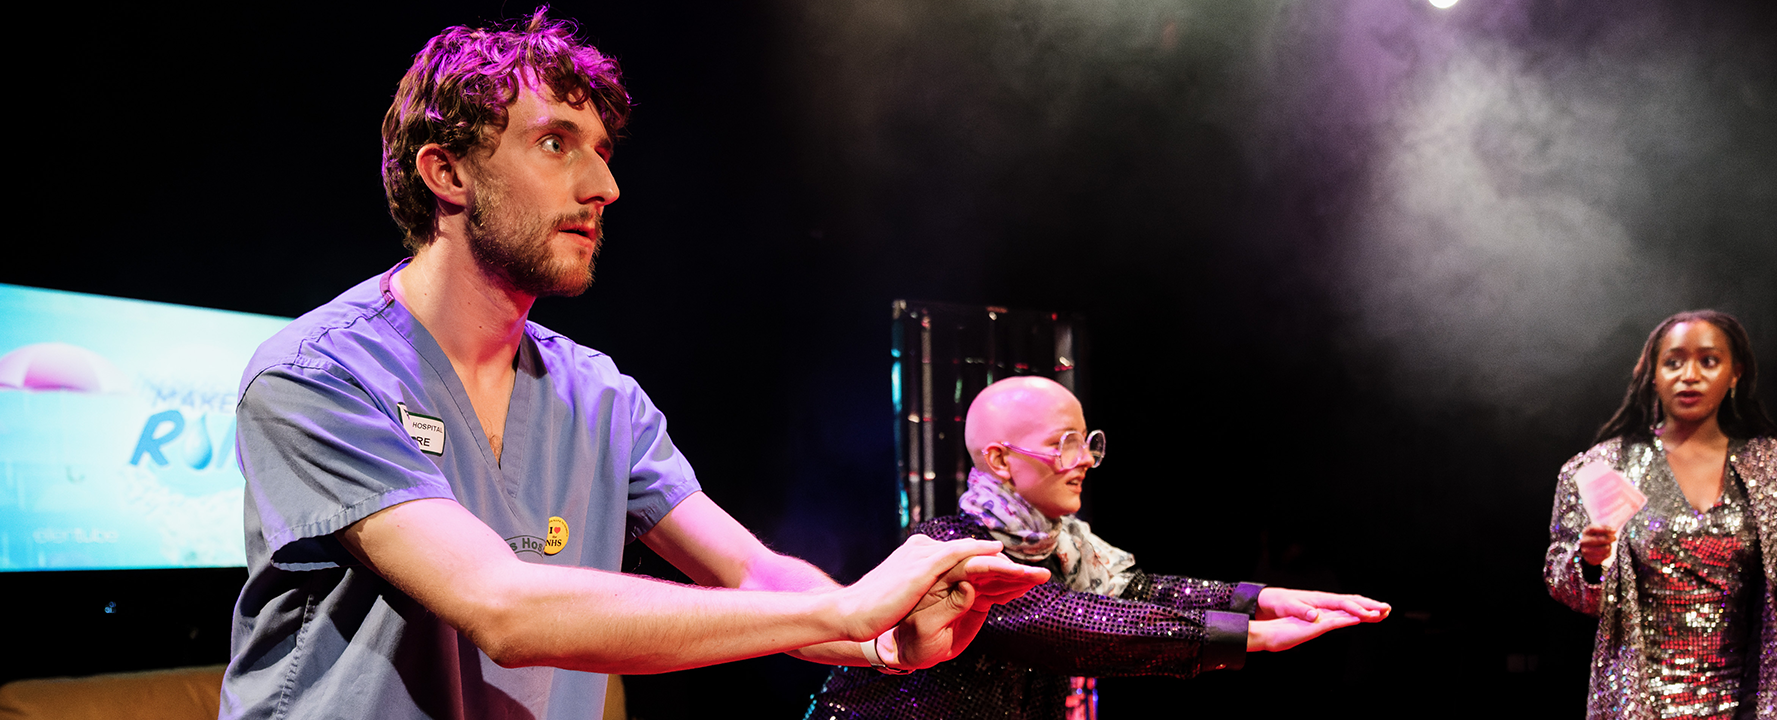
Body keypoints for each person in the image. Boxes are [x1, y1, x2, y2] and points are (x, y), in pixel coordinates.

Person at [218, 11, 1048, 720]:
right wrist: (844, 607)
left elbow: (753, 572)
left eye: (604, 151)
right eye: (556, 143)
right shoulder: (317, 375)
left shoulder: (599, 394)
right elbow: (501, 607)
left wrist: (878, 637)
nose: (605, 185)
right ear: (448, 172)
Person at [806, 376, 1391, 720]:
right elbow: (1069, 624)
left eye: (1085, 441)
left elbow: (1141, 593)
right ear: (1001, 460)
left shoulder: (1070, 549)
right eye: (1063, 444)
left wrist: (1267, 598)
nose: (1083, 460)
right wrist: (1250, 638)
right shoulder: (947, 549)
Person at [1544, 310, 1777, 720]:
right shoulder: (1605, 467)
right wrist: (1588, 563)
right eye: (1673, 362)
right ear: (1652, 375)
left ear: (1735, 373)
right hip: (1638, 701)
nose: (1689, 375)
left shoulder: (1772, 468)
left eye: (1708, 361)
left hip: (1744, 701)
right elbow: (1571, 590)